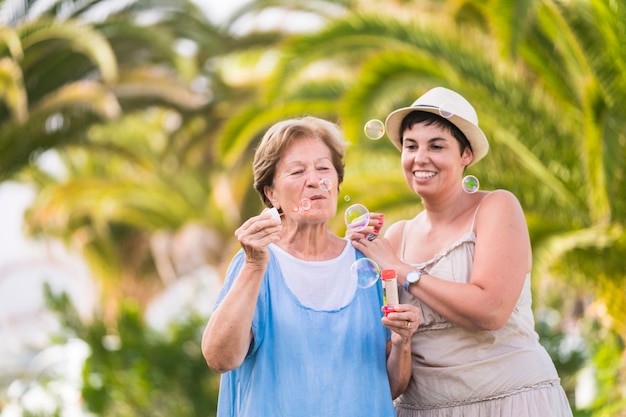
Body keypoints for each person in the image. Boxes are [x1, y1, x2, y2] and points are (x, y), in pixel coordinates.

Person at [350, 87, 573, 416]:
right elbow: (378, 345)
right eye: (411, 146)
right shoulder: (396, 237)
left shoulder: (495, 207)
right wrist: (350, 251)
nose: (420, 158)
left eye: (437, 146)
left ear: (466, 155)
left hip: (510, 402)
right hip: (424, 409)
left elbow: (491, 311)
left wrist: (402, 270)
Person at [201, 116, 421, 417]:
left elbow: (388, 388)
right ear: (271, 193)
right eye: (297, 171)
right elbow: (220, 359)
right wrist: (254, 265)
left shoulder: (367, 262)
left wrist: (402, 343)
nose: (315, 180)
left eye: (323, 168)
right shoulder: (256, 261)